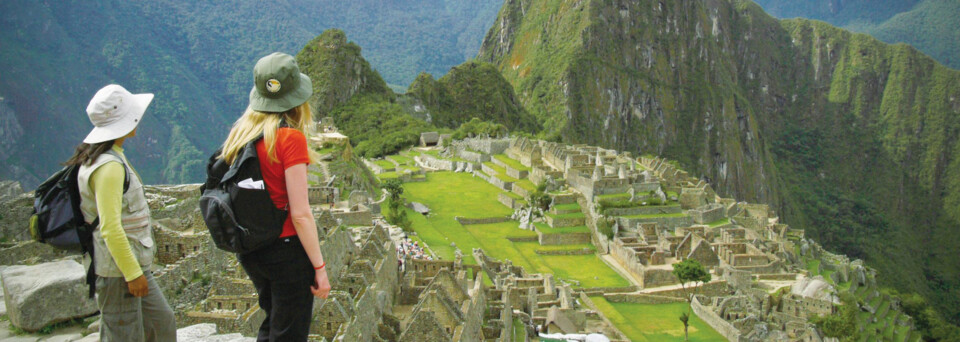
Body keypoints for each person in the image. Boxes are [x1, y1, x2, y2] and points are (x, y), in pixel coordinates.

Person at [218, 52, 331, 341]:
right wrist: (320, 268)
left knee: (274, 323)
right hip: (286, 250)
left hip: (252, 249)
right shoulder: (290, 139)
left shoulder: (240, 135)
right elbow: (301, 213)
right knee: (290, 332)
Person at [71, 84, 177, 341]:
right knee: (123, 335)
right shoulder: (109, 167)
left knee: (162, 324)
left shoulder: (110, 156)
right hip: (118, 272)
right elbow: (110, 227)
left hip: (131, 265)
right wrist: (132, 274)